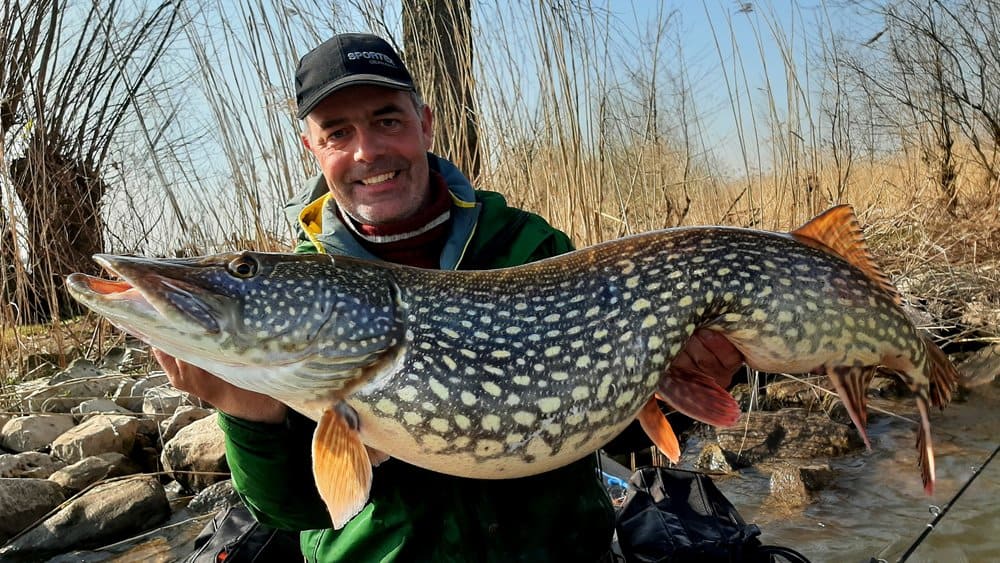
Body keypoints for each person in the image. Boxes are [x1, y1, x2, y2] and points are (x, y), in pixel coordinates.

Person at [155, 32, 743, 562]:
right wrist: (251, 420)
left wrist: (689, 376)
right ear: (313, 149)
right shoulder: (300, 283)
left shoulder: (528, 246)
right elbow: (297, 514)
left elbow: (611, 428)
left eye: (387, 121)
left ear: (425, 124)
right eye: (338, 132)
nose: (367, 152)